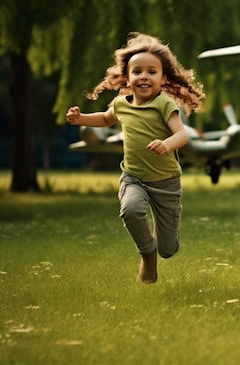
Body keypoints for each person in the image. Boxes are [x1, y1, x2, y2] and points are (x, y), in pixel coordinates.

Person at [66, 33, 205, 283]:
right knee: (130, 210)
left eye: (152, 72)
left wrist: (166, 143)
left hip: (166, 182)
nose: (144, 76)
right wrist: (82, 118)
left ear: (163, 78)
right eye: (137, 71)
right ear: (127, 78)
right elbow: (105, 119)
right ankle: (146, 253)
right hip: (134, 177)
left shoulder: (164, 103)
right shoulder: (121, 104)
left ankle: (160, 248)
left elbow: (182, 135)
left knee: (169, 249)